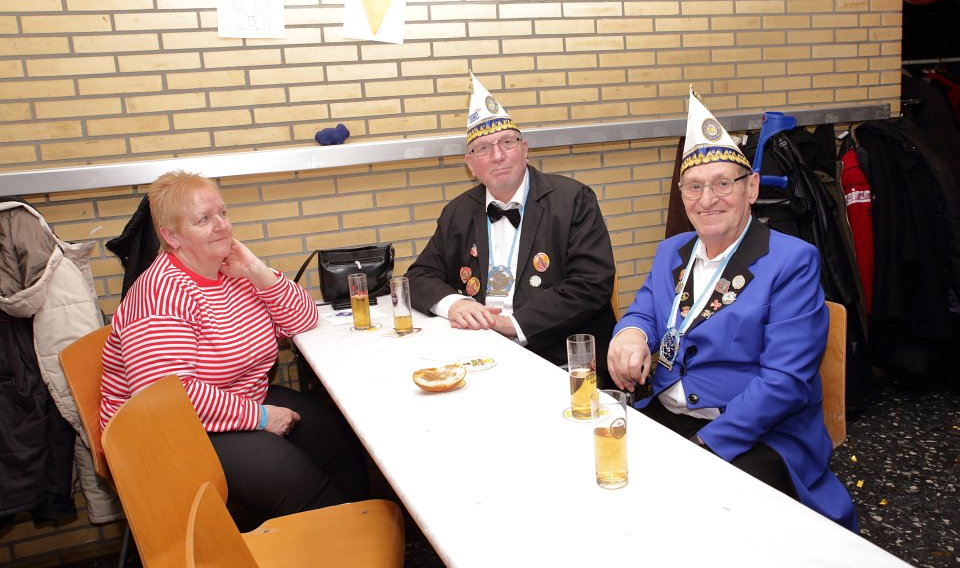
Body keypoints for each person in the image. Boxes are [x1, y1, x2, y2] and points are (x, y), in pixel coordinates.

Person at [608, 88, 857, 531]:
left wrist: (705, 446)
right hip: (667, 411)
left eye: (723, 183)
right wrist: (631, 332)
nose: (707, 199)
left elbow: (784, 382)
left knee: (686, 513)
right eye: (694, 187)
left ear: (752, 188)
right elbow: (644, 310)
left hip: (755, 429)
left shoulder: (792, 261)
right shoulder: (672, 251)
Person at [99, 171, 369, 528]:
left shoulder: (230, 272)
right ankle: (341, 539)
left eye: (223, 213)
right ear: (171, 236)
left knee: (339, 438)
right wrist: (260, 418)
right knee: (295, 478)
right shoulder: (160, 294)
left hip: (238, 400)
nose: (222, 226)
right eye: (203, 219)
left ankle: (366, 532)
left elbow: (303, 320)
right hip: (174, 433)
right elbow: (168, 396)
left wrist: (257, 271)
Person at [407, 73, 617, 369]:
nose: (498, 156)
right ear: (470, 164)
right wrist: (455, 304)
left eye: (507, 142)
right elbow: (418, 277)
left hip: (558, 357)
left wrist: (513, 324)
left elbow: (591, 284)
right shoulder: (458, 212)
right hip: (479, 351)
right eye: (483, 148)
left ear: (524, 149)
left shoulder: (573, 200)